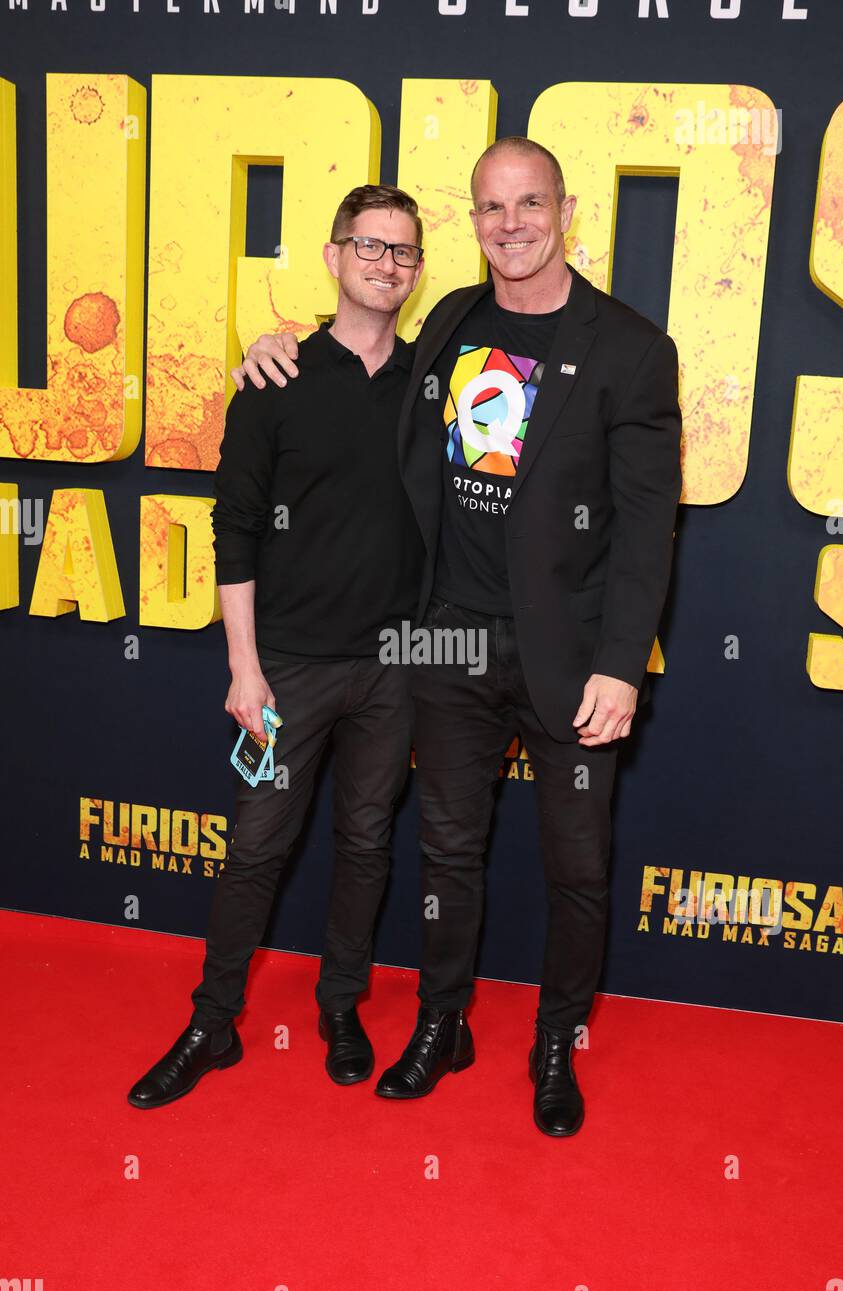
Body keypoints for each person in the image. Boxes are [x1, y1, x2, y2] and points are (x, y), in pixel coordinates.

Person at [231, 136, 683, 1138]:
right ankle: (443, 1020)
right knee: (445, 852)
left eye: (528, 204)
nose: (510, 224)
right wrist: (268, 351)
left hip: (569, 660)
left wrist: (618, 665)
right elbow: (357, 373)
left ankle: (555, 1045)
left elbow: (648, 527)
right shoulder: (448, 321)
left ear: (564, 212)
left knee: (575, 867)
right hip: (447, 644)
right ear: (471, 223)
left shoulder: (628, 349)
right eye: (489, 208)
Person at [127, 185, 426, 1109]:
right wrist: (244, 668)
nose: (385, 264)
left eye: (404, 252)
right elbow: (237, 527)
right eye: (369, 246)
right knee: (255, 847)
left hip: (395, 669)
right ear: (335, 256)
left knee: (367, 842)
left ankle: (342, 1007)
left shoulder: (437, 382)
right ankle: (212, 1024)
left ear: (419, 272)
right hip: (285, 668)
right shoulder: (275, 379)